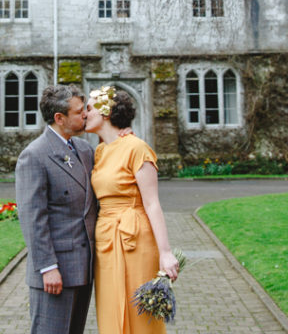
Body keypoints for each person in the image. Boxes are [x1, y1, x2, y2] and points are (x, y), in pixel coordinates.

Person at [86, 86, 179, 334]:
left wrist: (166, 253)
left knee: (139, 313)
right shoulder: (99, 151)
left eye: (89, 107)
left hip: (135, 239)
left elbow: (152, 203)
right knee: (109, 309)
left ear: (105, 112)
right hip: (106, 238)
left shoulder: (138, 148)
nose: (85, 113)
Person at [15, 85, 97, 334]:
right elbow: (33, 219)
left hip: (84, 270)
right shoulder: (34, 155)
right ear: (60, 118)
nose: (85, 115)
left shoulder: (85, 150)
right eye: (79, 111)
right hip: (55, 274)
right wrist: (48, 267)